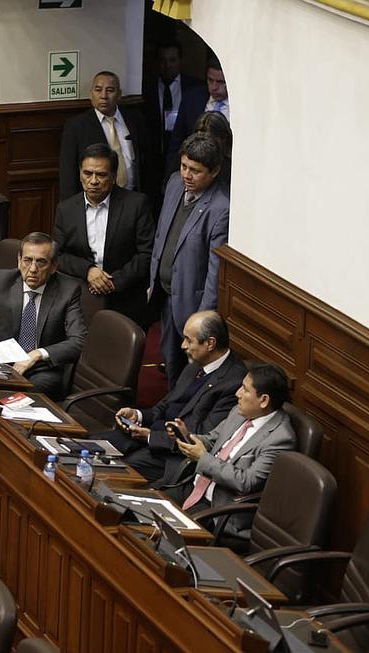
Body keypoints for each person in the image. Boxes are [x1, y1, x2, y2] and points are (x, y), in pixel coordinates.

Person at [108, 311, 246, 483]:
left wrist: (151, 436)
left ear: (210, 343)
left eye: (189, 340)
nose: (183, 346)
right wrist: (139, 415)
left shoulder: (234, 383)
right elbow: (167, 403)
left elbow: (201, 437)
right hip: (152, 435)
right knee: (97, 446)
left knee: (116, 472)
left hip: (172, 454)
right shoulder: (196, 363)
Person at [162, 363, 295, 538]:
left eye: (245, 390)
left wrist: (203, 458)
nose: (237, 393)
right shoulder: (238, 412)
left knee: (164, 535)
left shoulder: (280, 439)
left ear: (263, 400)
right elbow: (212, 440)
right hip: (194, 488)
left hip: (218, 510)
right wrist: (188, 436)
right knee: (143, 508)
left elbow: (247, 481)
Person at [0, 232, 87, 399]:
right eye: (28, 260)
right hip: (2, 362)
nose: (33, 269)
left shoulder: (69, 291)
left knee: (17, 395)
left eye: (41, 262)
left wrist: (37, 354)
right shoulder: (3, 280)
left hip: (42, 369)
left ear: (54, 266)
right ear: (19, 260)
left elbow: (79, 341)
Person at [149, 134, 229, 386]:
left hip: (190, 303)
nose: (186, 175)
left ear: (214, 171)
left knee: (190, 371)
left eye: (195, 171)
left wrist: (203, 318)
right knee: (170, 359)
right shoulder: (174, 183)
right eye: (184, 166)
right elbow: (162, 233)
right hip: (164, 292)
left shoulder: (220, 208)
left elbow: (214, 272)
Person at [53, 143, 154, 326]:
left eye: (101, 175)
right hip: (80, 297)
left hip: (126, 297)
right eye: (87, 173)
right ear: (80, 174)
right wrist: (88, 271)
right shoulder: (66, 209)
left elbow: (147, 254)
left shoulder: (136, 205)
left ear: (114, 177)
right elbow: (58, 255)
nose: (93, 181)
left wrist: (113, 282)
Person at [59, 71, 150, 201]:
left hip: (133, 196)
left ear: (119, 95)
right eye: (98, 90)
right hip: (97, 200)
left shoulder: (135, 119)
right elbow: (68, 174)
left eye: (110, 90)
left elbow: (147, 162)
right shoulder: (77, 125)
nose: (103, 96)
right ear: (91, 94)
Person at [142, 42, 207, 195]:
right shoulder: (146, 88)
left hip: (185, 155)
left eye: (172, 60)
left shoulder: (195, 88)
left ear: (180, 61)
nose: (167, 65)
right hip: (154, 156)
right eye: (163, 61)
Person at [167, 57, 229, 173]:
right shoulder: (192, 98)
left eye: (221, 82)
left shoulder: (241, 107)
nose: (214, 87)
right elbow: (177, 141)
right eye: (210, 80)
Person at [192, 111, 232, 192]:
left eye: (209, 140)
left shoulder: (232, 169)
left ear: (223, 138)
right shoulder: (186, 158)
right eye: (199, 139)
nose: (203, 145)